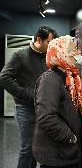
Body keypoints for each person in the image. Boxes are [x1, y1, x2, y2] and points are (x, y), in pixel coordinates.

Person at [0, 26, 58, 168]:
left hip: (45, 109)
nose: (51, 47)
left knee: (40, 146)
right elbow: (4, 77)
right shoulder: (20, 55)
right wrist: (25, 94)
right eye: (49, 43)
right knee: (28, 148)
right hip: (25, 109)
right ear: (39, 39)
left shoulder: (49, 57)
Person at [32, 35, 82, 168]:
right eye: (73, 50)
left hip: (69, 152)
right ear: (61, 52)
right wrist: (71, 138)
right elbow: (46, 118)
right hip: (58, 153)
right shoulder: (50, 79)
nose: (78, 53)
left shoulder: (70, 77)